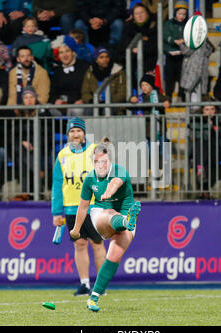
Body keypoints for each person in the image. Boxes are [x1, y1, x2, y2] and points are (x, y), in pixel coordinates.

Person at [69, 138, 141, 312]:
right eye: (95, 162)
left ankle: (93, 298)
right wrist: (76, 229)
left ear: (110, 162)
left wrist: (108, 192)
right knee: (109, 214)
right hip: (100, 214)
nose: (99, 165)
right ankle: (125, 221)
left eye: (103, 162)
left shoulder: (119, 171)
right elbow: (84, 206)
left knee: (114, 256)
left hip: (124, 217)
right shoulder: (89, 179)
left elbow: (115, 183)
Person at [52, 117, 107, 296]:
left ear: (84, 133)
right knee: (80, 244)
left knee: (98, 244)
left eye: (78, 131)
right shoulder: (62, 155)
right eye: (72, 131)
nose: (76, 134)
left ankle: (100, 285)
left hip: (92, 206)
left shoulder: (94, 151)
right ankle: (84, 284)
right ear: (68, 134)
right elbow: (57, 184)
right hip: (71, 208)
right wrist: (56, 211)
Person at [50, 35, 90, 117]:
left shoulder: (84, 67)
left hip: (80, 102)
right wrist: (55, 101)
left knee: (77, 110)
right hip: (63, 104)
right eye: (61, 52)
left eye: (67, 51)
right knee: (49, 109)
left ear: (73, 52)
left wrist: (83, 100)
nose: (64, 55)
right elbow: (53, 90)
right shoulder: (57, 71)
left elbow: (90, 87)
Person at [81, 47, 126, 115]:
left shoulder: (118, 72)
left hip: (113, 104)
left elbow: (122, 93)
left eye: (107, 57)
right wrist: (93, 100)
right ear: (96, 60)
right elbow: (85, 92)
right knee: (89, 111)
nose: (105, 59)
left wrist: (107, 100)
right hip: (95, 103)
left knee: (107, 110)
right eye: (101, 57)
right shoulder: (90, 72)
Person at [118, 3, 158, 78]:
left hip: (150, 61)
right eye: (136, 14)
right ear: (133, 16)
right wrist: (133, 50)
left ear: (147, 13)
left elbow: (155, 46)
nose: (139, 16)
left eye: (142, 13)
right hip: (132, 61)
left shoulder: (155, 26)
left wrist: (141, 49)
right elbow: (122, 46)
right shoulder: (128, 28)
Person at [163, 0, 188, 99]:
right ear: (175, 13)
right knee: (170, 76)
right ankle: (168, 96)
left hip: (183, 54)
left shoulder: (187, 24)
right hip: (171, 54)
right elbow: (165, 36)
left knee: (182, 76)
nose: (181, 16)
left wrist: (184, 40)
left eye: (184, 14)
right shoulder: (169, 24)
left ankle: (181, 95)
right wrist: (173, 41)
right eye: (179, 14)